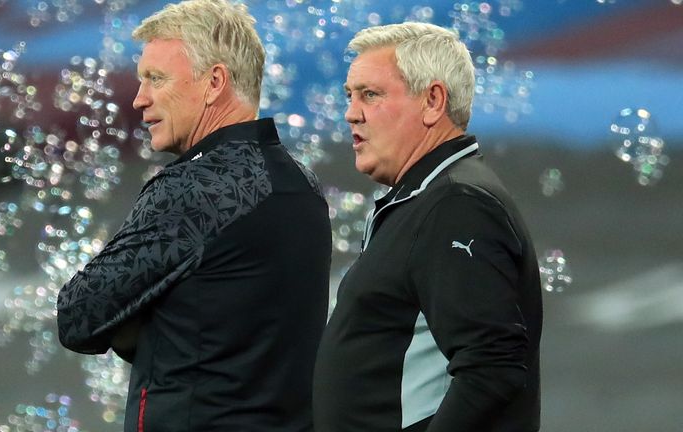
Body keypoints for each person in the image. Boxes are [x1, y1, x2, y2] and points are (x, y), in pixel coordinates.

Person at [56, 1, 331, 431]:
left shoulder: (195, 187)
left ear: (214, 82)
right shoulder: (303, 184)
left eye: (156, 78)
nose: (140, 98)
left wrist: (141, 322)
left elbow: (78, 314)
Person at [313, 22, 543, 431]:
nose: (351, 113)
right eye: (349, 95)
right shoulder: (425, 198)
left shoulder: (457, 204)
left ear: (433, 101)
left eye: (370, 94)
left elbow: (492, 367)